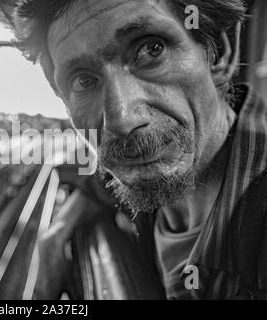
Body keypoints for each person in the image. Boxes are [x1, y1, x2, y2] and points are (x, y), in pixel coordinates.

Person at [13, 0, 267, 299]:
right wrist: (56, 235)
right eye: (83, 80)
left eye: (151, 49)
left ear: (219, 53)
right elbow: (105, 182)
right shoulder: (156, 167)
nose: (121, 120)